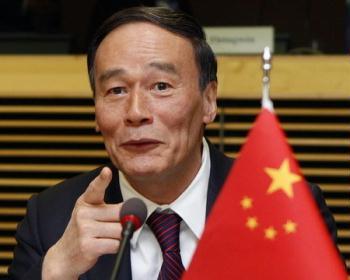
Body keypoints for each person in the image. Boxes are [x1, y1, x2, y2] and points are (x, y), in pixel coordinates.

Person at [7, 6, 337, 280]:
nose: (135, 113)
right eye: (116, 90)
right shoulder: (50, 220)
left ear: (209, 101)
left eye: (161, 86)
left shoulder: (282, 209)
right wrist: (56, 271)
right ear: (95, 111)